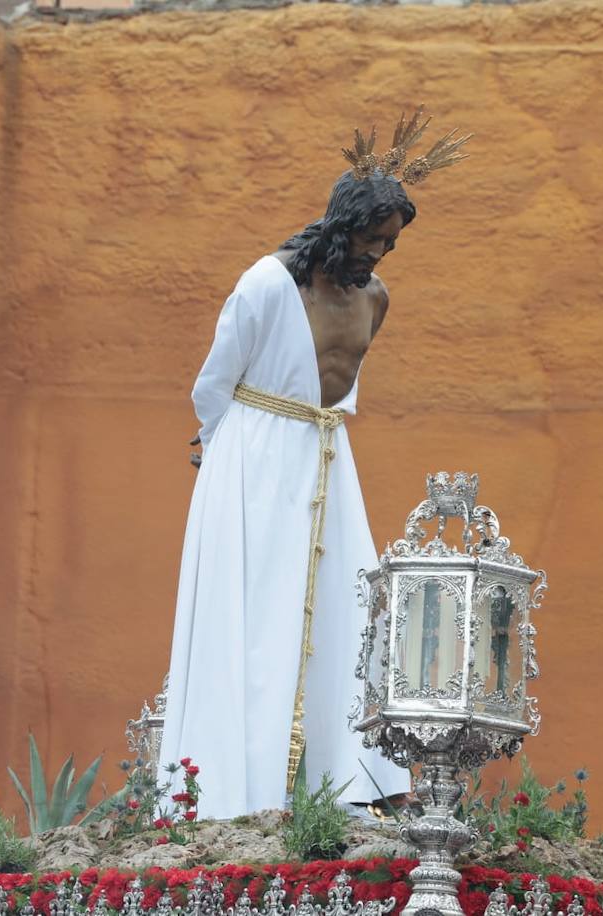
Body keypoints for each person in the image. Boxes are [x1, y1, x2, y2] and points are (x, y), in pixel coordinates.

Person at [157, 110, 470, 820]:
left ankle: (350, 785)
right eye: (373, 238)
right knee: (254, 614)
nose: (380, 254)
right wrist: (223, 456)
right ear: (343, 223)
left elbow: (341, 381)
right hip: (254, 457)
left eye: (390, 244)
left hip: (328, 457)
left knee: (348, 610)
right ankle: (230, 794)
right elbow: (216, 382)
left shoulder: (377, 299)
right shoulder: (268, 283)